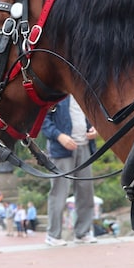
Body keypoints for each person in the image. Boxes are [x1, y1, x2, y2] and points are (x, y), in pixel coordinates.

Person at [41, 95, 98, 246]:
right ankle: (53, 235)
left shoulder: (83, 93)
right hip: (61, 151)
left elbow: (95, 115)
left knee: (86, 192)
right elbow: (42, 121)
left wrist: (94, 128)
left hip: (85, 147)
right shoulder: (55, 94)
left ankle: (82, 233)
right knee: (59, 192)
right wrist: (59, 136)